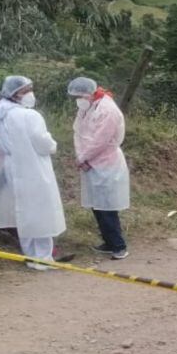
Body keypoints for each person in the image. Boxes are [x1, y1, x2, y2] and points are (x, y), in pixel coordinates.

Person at [0, 75, 67, 271]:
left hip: (12, 167)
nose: (30, 94)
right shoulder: (29, 116)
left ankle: (30, 254)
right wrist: (53, 145)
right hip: (33, 169)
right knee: (40, 211)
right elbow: (42, 142)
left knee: (23, 211)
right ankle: (43, 257)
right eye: (26, 90)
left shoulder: (0, 112)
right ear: (15, 94)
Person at [68, 77, 130, 260]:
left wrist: (84, 157)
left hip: (106, 163)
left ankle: (119, 246)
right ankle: (108, 242)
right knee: (97, 205)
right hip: (90, 163)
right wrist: (82, 157)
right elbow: (78, 132)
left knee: (107, 207)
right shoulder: (86, 107)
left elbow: (100, 140)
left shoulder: (107, 109)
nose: (77, 100)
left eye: (79, 96)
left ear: (89, 93)